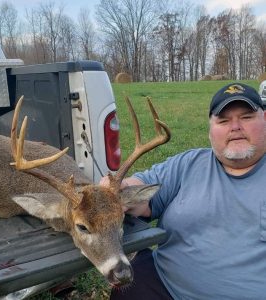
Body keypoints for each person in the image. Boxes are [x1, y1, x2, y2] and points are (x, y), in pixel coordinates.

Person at [100, 82, 266, 300]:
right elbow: (142, 194)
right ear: (210, 131)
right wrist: (119, 188)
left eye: (246, 117)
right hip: (163, 283)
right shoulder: (189, 164)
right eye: (223, 120)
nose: (235, 126)